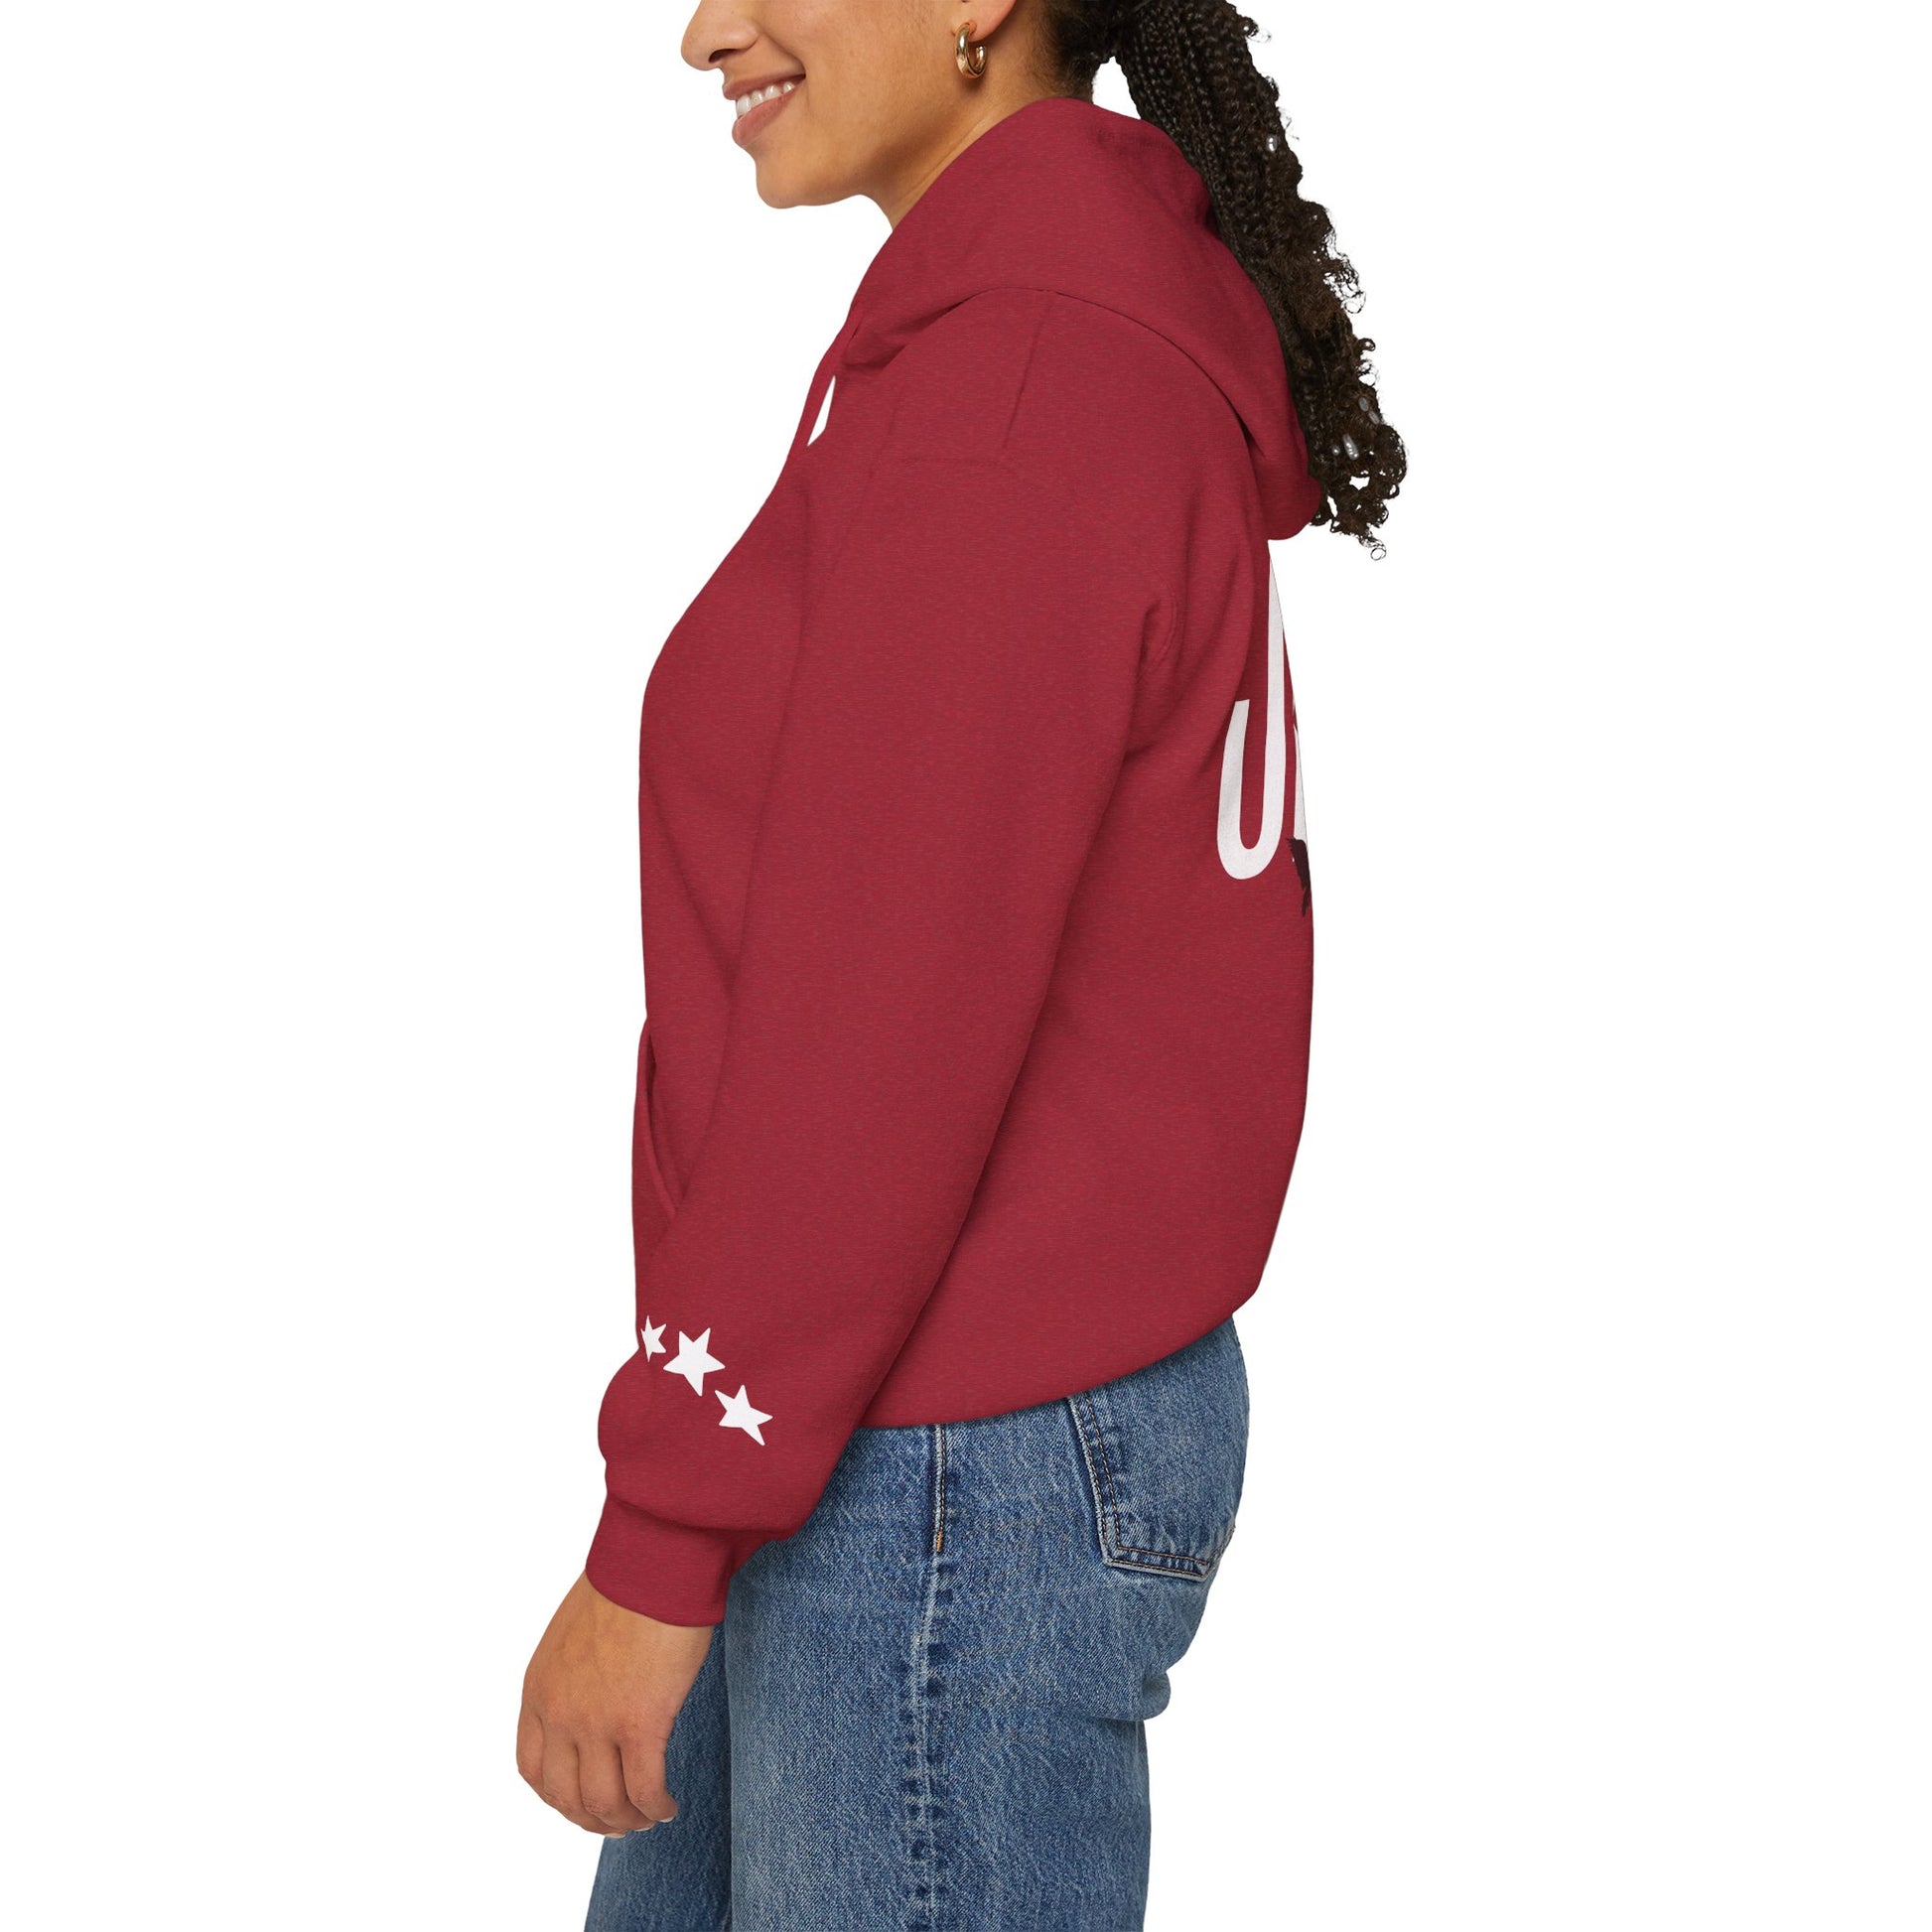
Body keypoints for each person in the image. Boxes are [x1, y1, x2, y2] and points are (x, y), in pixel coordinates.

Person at [518, 0, 1402, 1923]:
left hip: (938, 1464)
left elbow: (877, 1029)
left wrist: (663, 1523)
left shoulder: (1020, 384)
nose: (704, 31)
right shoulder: (1022, 340)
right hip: (869, 1426)